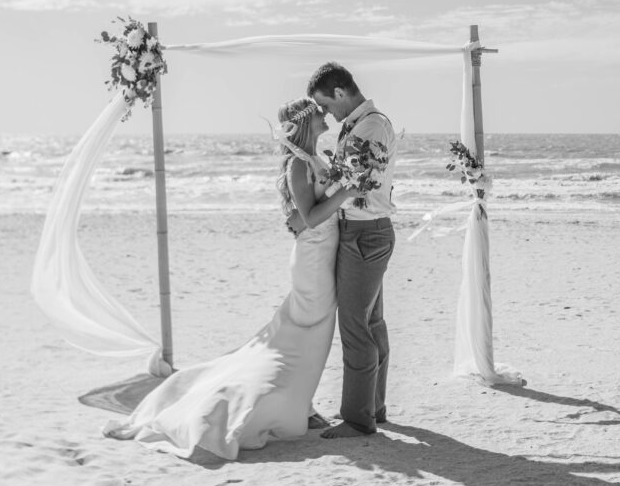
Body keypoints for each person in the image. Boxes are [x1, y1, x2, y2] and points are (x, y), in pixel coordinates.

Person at [103, 97, 358, 459]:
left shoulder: (316, 159)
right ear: (305, 122)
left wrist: (344, 184)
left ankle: (303, 403)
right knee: (305, 336)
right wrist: (348, 191)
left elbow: (306, 215)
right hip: (313, 261)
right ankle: (276, 406)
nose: (324, 114)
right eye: (318, 112)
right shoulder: (299, 166)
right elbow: (310, 217)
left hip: (324, 255)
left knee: (308, 337)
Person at [289, 62, 398, 439]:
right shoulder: (362, 124)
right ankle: (373, 406)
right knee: (371, 323)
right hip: (365, 232)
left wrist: (309, 216)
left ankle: (357, 418)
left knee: (356, 326)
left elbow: (358, 184)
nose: (329, 115)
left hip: (365, 234)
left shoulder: (370, 125)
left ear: (339, 93)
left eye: (327, 105)